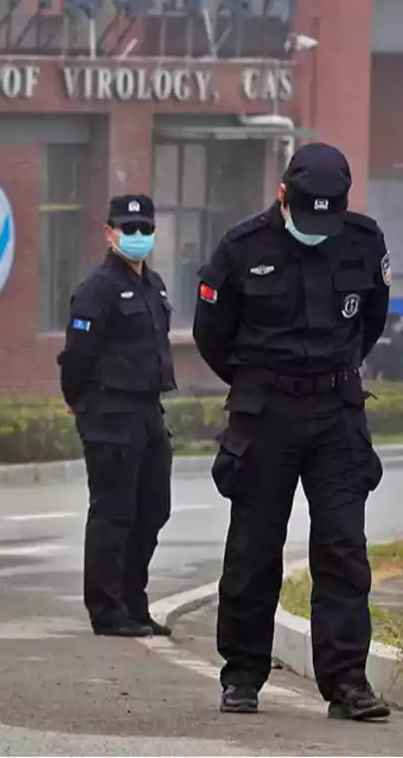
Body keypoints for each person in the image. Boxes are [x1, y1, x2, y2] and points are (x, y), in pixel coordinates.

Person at [193, 142, 391, 721]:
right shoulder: (242, 247)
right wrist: (260, 381)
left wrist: (331, 372)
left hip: (336, 413)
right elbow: (213, 333)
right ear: (283, 196)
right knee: (254, 546)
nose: (317, 228)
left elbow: (370, 321)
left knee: (342, 547)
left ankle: (347, 683)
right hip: (267, 414)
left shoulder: (363, 240)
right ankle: (243, 675)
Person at [57, 194, 176, 639]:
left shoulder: (154, 285)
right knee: (113, 513)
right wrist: (80, 403)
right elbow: (78, 355)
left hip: (148, 409)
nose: (139, 236)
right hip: (111, 412)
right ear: (109, 233)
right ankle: (107, 610)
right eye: (129, 229)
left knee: (152, 509)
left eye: (146, 229)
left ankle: (133, 603)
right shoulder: (97, 289)